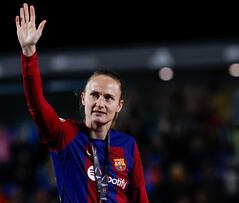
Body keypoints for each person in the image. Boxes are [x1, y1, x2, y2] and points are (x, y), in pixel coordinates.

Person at [15, 2, 149, 202]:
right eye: (94, 95)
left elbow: (140, 198)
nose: (100, 103)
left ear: (119, 106)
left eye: (108, 97)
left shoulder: (128, 146)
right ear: (83, 98)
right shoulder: (64, 135)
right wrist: (28, 53)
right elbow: (37, 105)